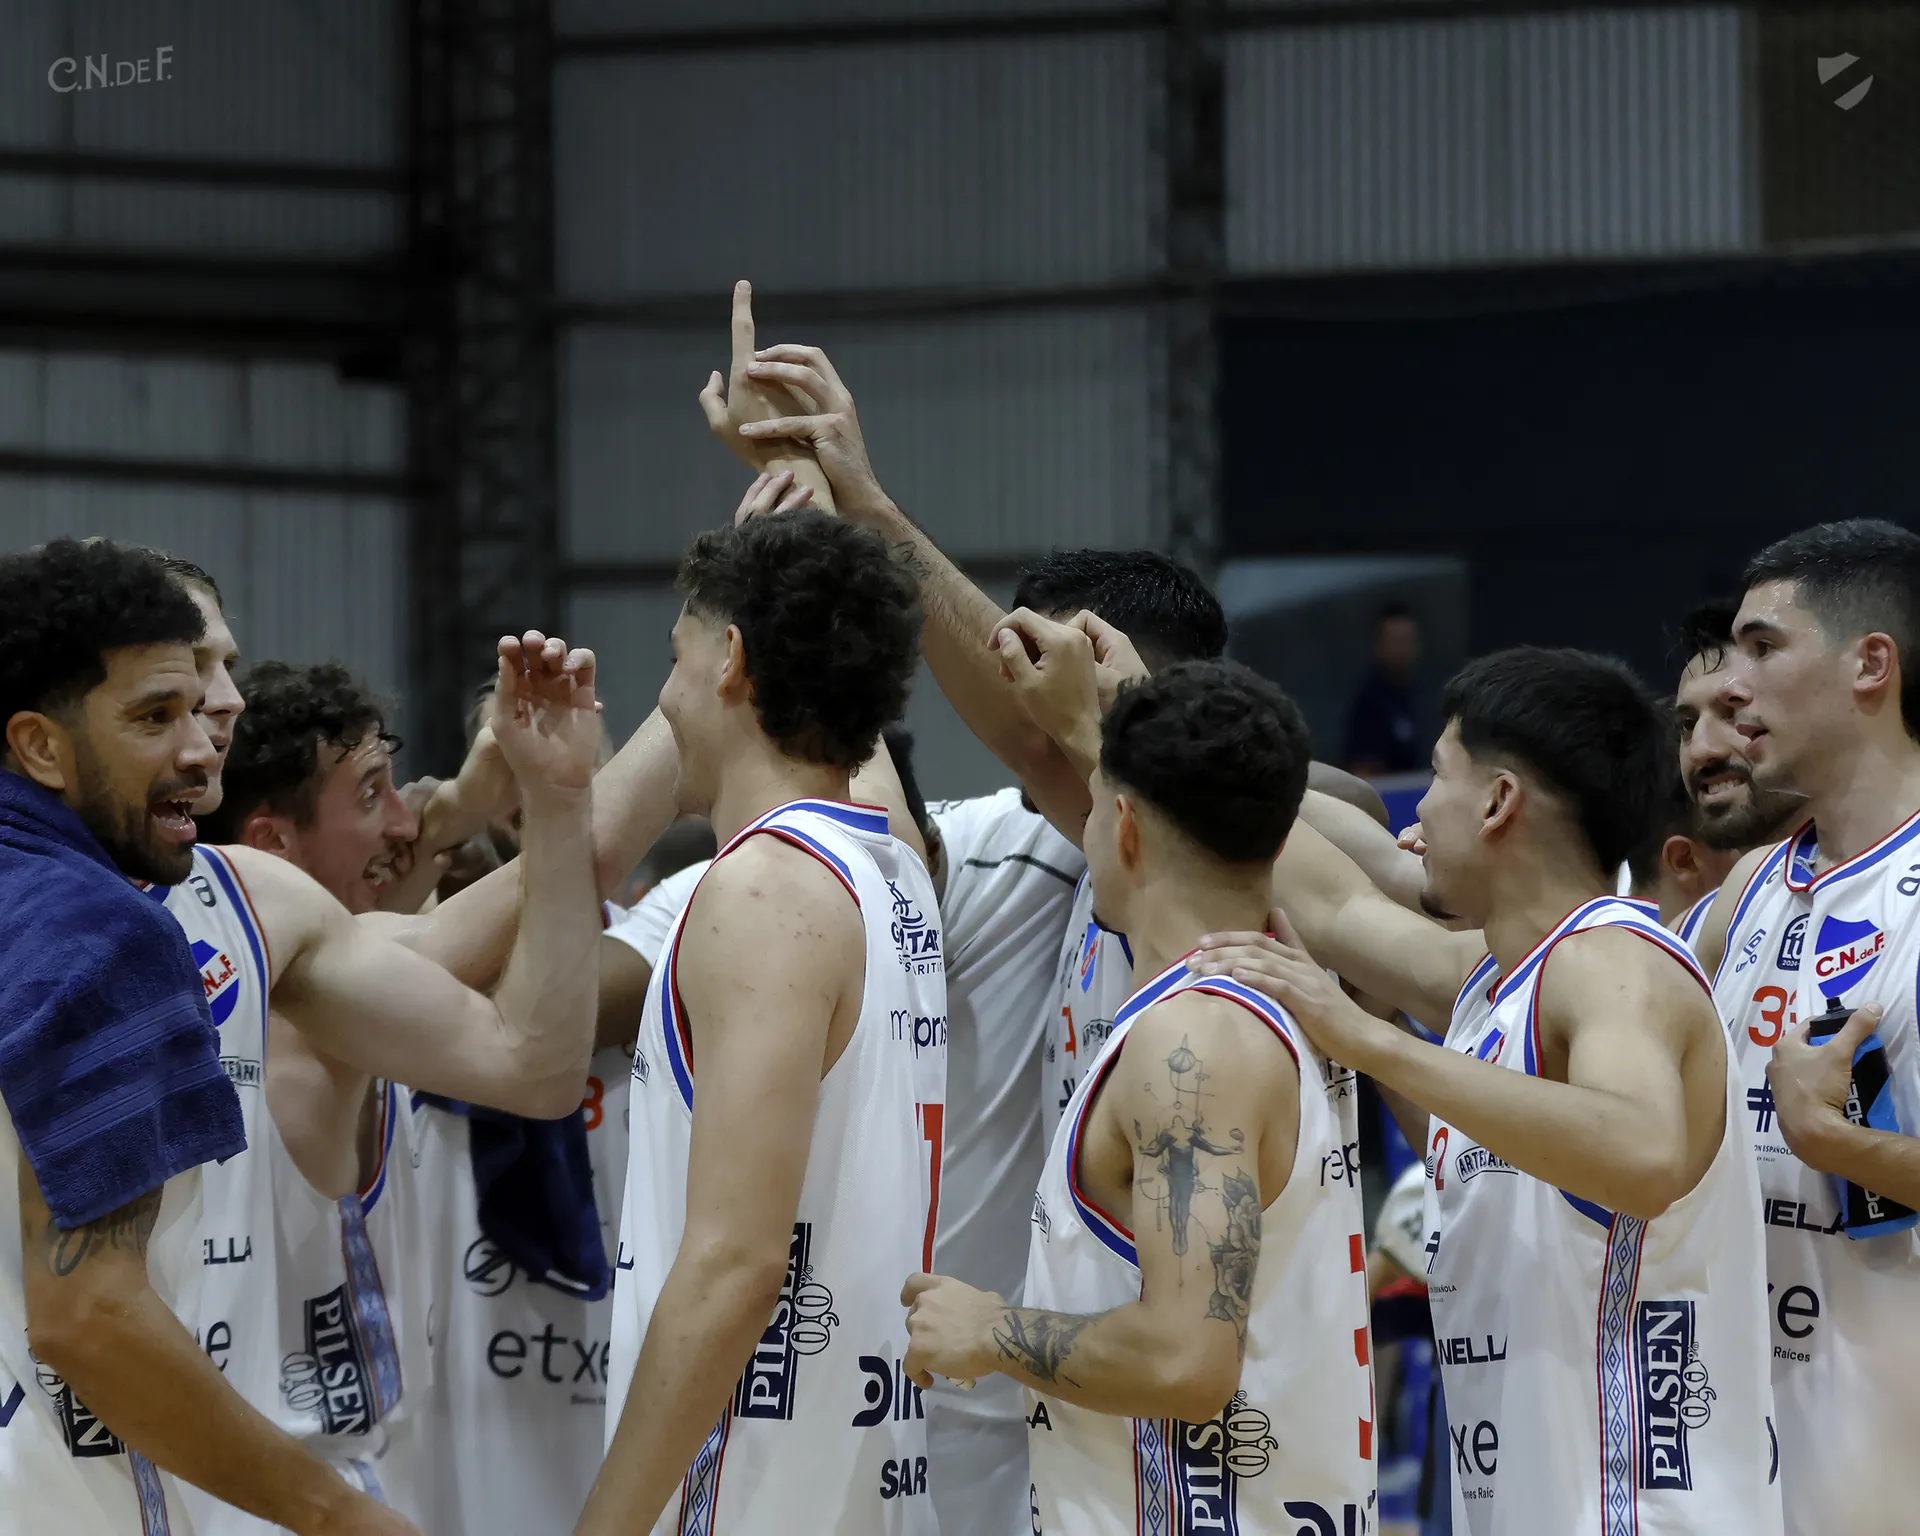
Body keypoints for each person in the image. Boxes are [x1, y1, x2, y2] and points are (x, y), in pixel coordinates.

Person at [1189, 646, 1779, 1536]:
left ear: (1500, 801)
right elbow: (1339, 910)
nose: (1421, 807)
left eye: (1437, 774)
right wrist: (1144, 724)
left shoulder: (1613, 962)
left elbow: (1641, 1149)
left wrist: (1369, 1039)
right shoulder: (1501, 980)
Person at [901, 658, 1377, 1535]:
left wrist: (989, 1330)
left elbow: (1186, 1362)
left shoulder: (1192, 1044)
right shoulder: (1269, 999)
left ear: (1122, 827)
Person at [0, 538, 410, 1535]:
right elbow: (88, 1316)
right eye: (154, 717)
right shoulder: (98, 931)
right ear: (41, 746)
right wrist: (340, 1515)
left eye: (199, 707)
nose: (199, 749)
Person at [581, 510, 944, 1535]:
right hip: (859, 1482)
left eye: (676, 658)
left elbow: (736, 1268)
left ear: (731, 659)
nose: (666, 696)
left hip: (753, 1489)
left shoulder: (763, 892)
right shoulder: (894, 868)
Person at [190, 661, 461, 1530]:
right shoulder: (307, 1022)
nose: (406, 823)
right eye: (373, 794)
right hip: (304, 1490)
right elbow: (536, 1051)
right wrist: (559, 796)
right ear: (271, 844)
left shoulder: (247, 972)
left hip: (321, 1473)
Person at [1689, 520, 1920, 1536]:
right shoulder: (1755, 881)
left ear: (1871, 664)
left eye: (1762, 647)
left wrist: (1837, 1141)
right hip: (1759, 1462)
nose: (1732, 684)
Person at [1667, 598, 1804, 948]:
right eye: (1687, 724)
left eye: (1733, 713)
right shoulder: (1686, 939)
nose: (1700, 750)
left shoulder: (1902, 873)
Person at [1345, 602, 1426, 778]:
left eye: (1407, 641)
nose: (1403, 649)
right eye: (1396, 642)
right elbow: (1364, 771)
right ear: (1379, 646)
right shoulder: (1370, 705)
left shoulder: (1417, 696)